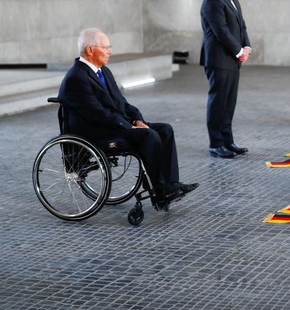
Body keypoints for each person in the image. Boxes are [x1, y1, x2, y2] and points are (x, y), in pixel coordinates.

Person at [57, 28, 198, 208]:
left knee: (165, 130)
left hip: (114, 124)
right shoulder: (76, 78)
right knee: (149, 136)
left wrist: (138, 120)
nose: (110, 51)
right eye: (106, 47)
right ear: (90, 50)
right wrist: (130, 128)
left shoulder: (104, 72)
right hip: (96, 133)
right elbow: (98, 114)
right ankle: (161, 189)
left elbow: (121, 103)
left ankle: (171, 185)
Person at [200, 0, 251, 158]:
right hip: (218, 59)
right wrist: (238, 50)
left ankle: (228, 141)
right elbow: (221, 31)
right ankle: (216, 143)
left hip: (232, 59)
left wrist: (246, 47)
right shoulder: (213, 0)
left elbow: (241, 27)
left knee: (229, 102)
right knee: (218, 101)